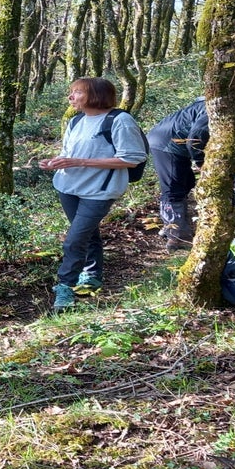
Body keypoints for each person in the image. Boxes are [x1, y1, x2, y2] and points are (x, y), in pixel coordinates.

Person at [39, 77, 147, 311]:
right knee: (86, 233)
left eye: (78, 92)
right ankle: (92, 274)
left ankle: (65, 287)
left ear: (96, 95)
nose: (71, 97)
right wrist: (55, 162)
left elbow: (132, 158)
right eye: (71, 92)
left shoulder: (119, 120)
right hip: (68, 187)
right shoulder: (76, 120)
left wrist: (80, 162)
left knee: (74, 239)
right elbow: (69, 152)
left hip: (99, 191)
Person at [145, 89, 235, 251]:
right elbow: (196, 135)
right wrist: (201, 161)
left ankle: (175, 226)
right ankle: (177, 236)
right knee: (173, 187)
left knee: (187, 182)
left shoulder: (232, 100)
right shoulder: (228, 104)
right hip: (165, 141)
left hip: (174, 141)